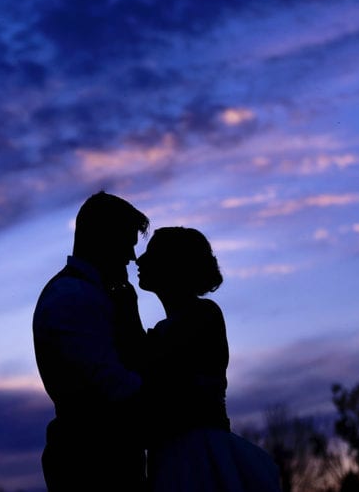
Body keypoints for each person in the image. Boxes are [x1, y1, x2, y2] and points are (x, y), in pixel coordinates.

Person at [137, 226, 282, 492]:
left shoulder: (203, 316)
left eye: (152, 253)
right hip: (174, 454)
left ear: (174, 265)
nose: (139, 259)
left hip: (197, 456)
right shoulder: (170, 327)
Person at [32, 191, 151, 491]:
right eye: (126, 243)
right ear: (103, 239)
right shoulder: (73, 298)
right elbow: (111, 386)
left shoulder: (92, 295)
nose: (131, 257)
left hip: (104, 459)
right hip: (91, 465)